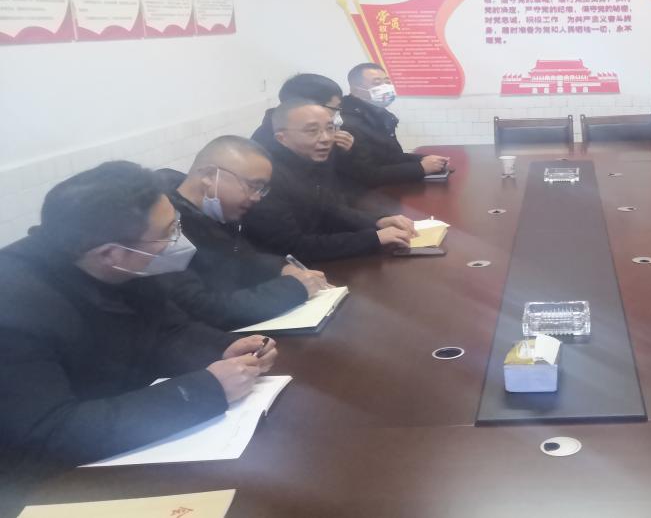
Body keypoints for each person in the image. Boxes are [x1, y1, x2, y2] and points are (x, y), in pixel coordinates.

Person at [0, 162, 278, 499]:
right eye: (168, 232)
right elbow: (51, 432)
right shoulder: (14, 310)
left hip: (127, 435)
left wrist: (223, 348)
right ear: (110, 253)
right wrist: (206, 390)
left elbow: (168, 330)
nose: (177, 240)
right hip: (48, 482)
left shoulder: (124, 265)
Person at [160, 135, 331, 330]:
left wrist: (281, 268)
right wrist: (294, 288)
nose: (257, 198)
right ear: (209, 175)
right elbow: (201, 308)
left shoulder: (219, 212)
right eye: (253, 186)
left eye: (262, 189)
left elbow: (242, 257)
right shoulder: (165, 228)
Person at [242, 99, 416, 262]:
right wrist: (372, 238)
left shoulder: (316, 159)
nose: (326, 138)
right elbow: (292, 247)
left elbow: (329, 209)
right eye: (312, 131)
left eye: (330, 128)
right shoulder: (267, 176)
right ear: (282, 139)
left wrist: (377, 221)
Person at [340, 63, 449, 186]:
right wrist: (420, 168)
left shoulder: (378, 114)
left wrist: (423, 159)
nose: (385, 87)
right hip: (367, 193)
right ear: (356, 90)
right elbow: (367, 174)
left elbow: (391, 157)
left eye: (387, 82)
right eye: (377, 83)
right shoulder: (349, 123)